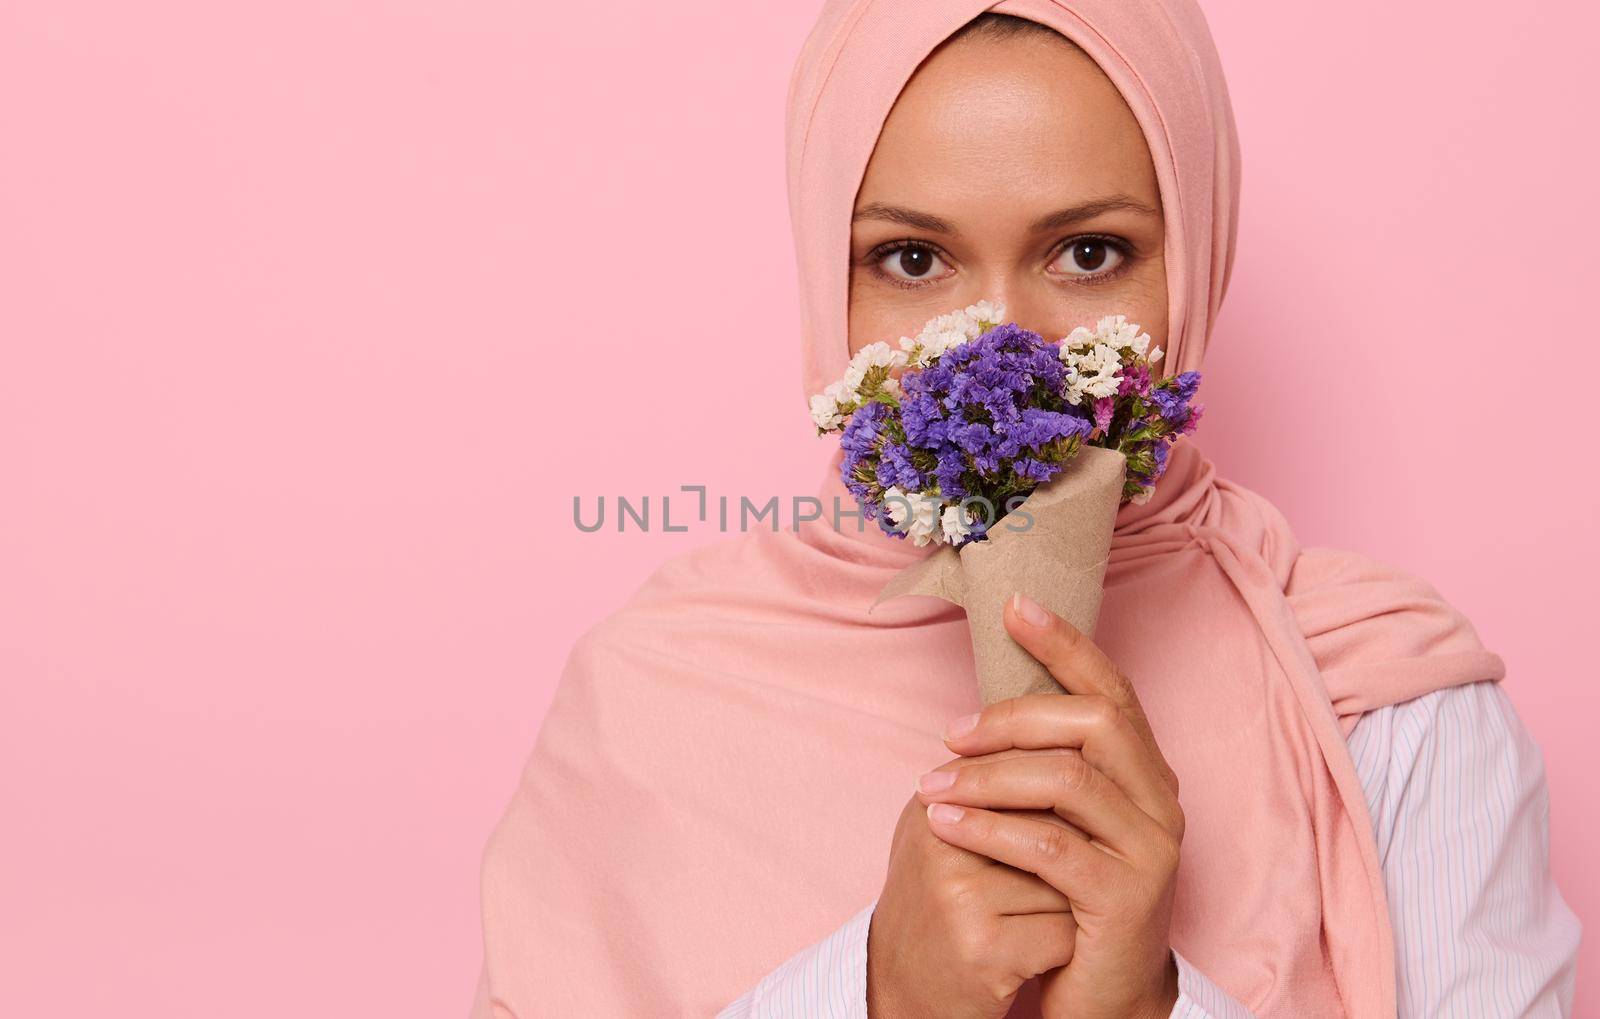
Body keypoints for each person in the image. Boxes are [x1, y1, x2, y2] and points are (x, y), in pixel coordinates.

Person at [471, 2, 1581, 1016]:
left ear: (1194, 260)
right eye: (911, 257)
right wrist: (873, 995)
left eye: (1089, 251)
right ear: (826, 280)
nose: (1005, 346)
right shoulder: (653, 691)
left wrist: (1151, 1001)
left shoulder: (1384, 702)